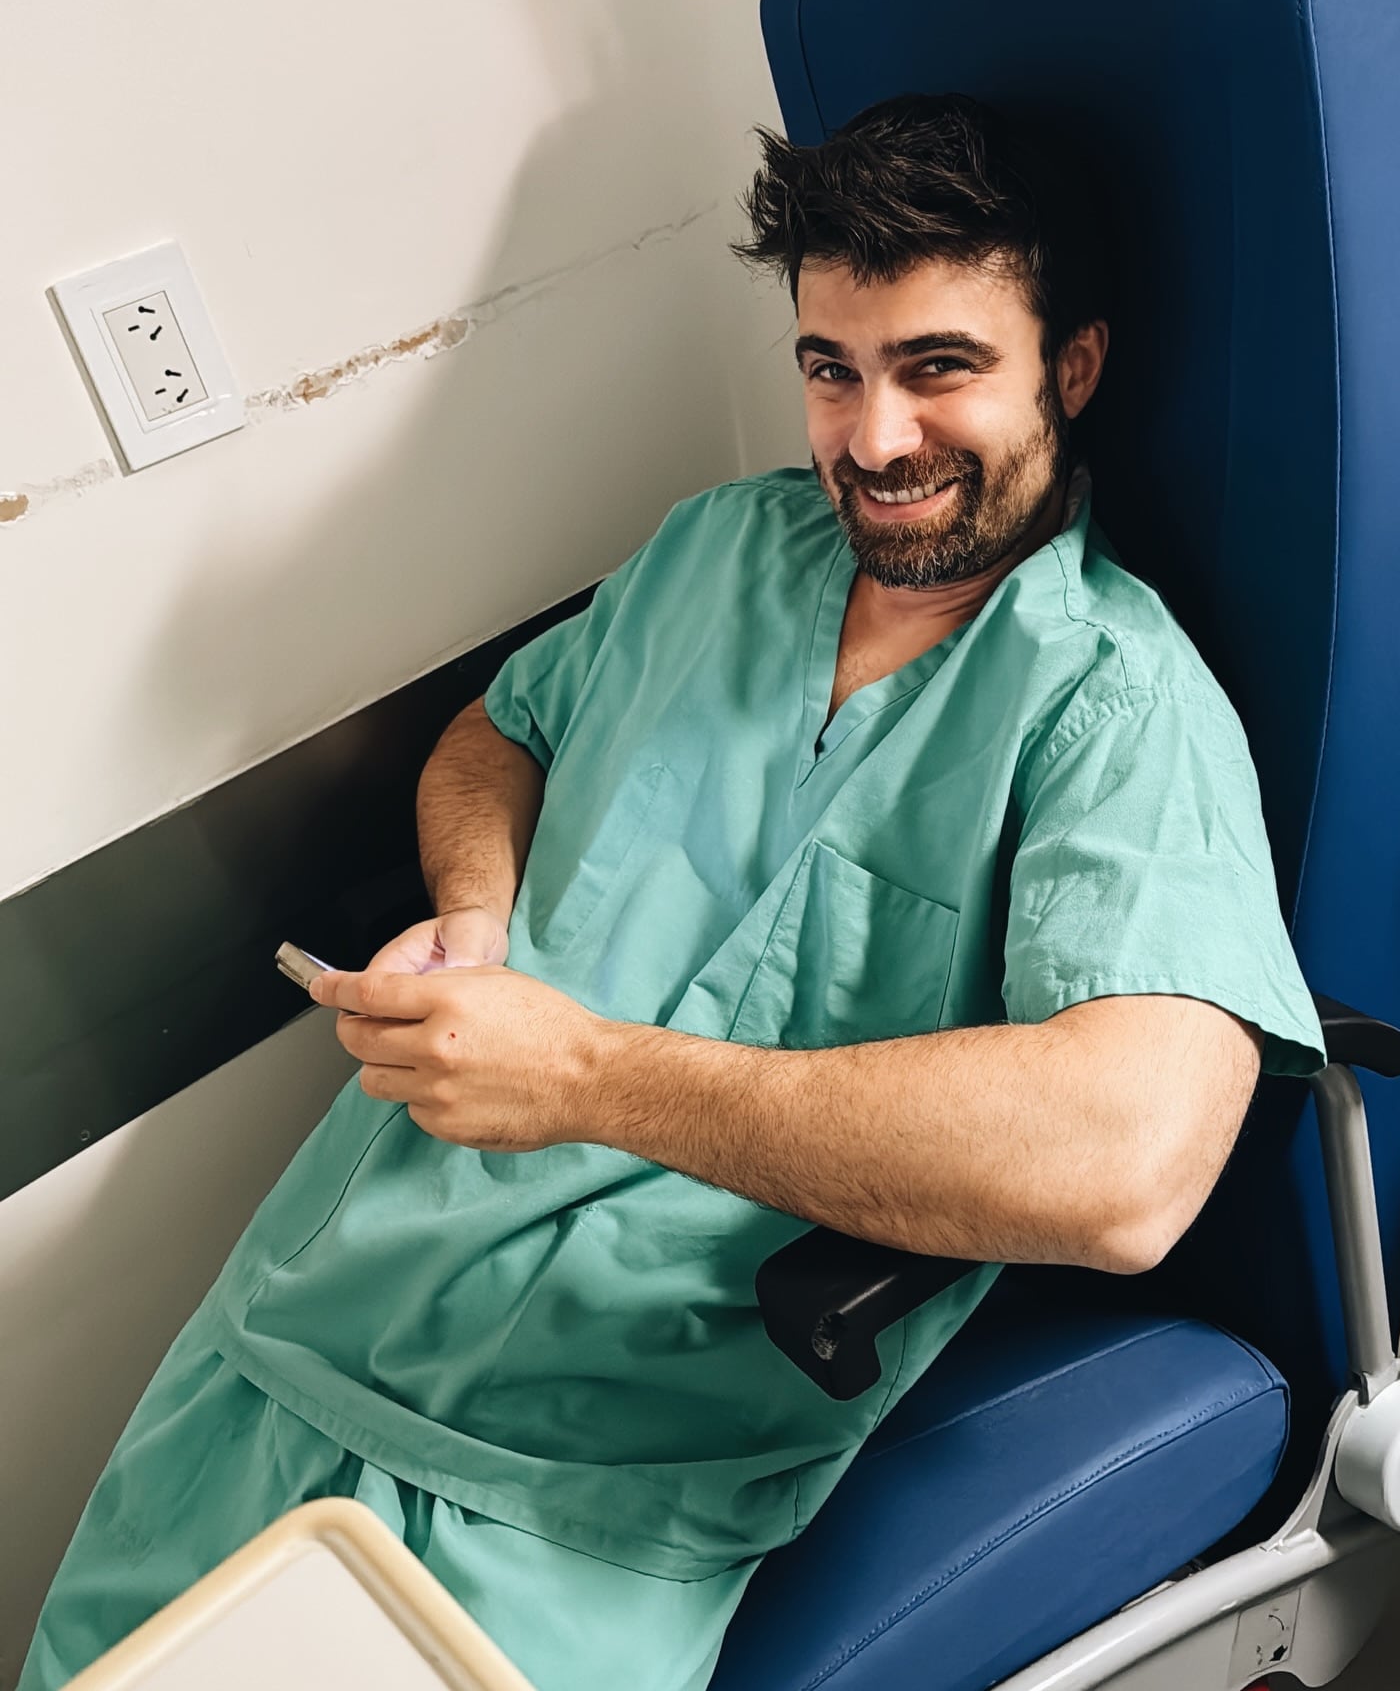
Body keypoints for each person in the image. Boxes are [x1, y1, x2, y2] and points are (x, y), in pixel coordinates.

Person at [19, 94, 1324, 1691]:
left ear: (1075, 366)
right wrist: (477, 911)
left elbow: (1131, 1166)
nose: (874, 437)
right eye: (831, 368)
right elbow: (494, 733)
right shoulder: (720, 550)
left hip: (567, 1497)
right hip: (276, 1343)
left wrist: (576, 1074)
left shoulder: (1117, 705)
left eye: (939, 367)